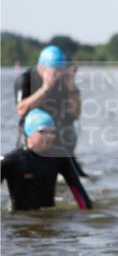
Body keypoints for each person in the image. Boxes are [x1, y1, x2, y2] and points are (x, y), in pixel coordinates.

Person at [14, 45, 87, 177]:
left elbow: (76, 113)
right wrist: (45, 89)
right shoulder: (26, 79)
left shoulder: (65, 81)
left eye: (61, 70)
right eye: (55, 71)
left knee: (78, 176)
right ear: (41, 67)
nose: (58, 74)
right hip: (34, 133)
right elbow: (21, 110)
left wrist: (71, 87)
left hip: (58, 131)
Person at [2, 109, 92, 211]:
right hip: (20, 220)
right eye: (43, 131)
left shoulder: (60, 157)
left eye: (52, 132)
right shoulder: (10, 161)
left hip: (50, 217)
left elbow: (79, 194)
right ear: (29, 132)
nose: (50, 136)